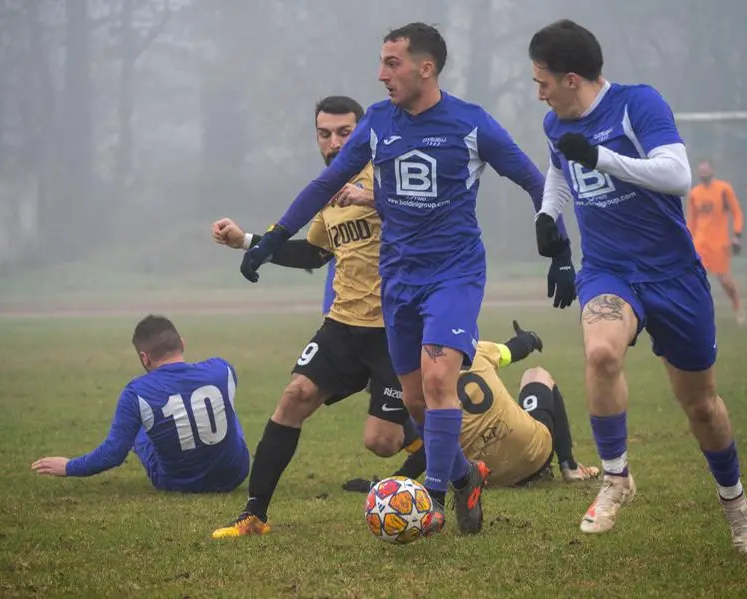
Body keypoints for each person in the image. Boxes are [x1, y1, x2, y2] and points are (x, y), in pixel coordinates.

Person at [238, 22, 576, 538]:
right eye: (380, 63)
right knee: (418, 404)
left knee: (440, 381)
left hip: (455, 274)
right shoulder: (377, 123)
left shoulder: (471, 123)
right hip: (398, 280)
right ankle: (467, 476)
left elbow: (535, 179)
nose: (381, 75)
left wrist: (560, 250)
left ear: (426, 67)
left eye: (392, 63)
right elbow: (328, 181)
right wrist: (271, 235)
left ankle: (433, 500)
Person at [529, 19, 747, 553]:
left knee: (702, 406)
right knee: (602, 353)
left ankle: (737, 506)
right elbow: (561, 168)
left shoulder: (638, 104)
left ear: (571, 78)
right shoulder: (553, 122)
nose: (538, 91)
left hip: (674, 275)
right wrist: (549, 215)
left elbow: (676, 174)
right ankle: (615, 477)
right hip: (609, 270)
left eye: (542, 80)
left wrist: (602, 157)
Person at [209, 95, 423, 538]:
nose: (334, 142)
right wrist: (247, 242)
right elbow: (314, 251)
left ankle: (445, 446)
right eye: (325, 133)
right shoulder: (327, 191)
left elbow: (428, 209)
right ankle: (254, 515)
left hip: (396, 328)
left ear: (363, 132)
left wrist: (372, 198)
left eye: (345, 132)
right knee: (294, 395)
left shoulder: (391, 174)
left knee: (381, 443)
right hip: (343, 325)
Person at [342, 321, 599, 492]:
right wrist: (529, 339)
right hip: (535, 457)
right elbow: (511, 351)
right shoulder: (476, 350)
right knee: (537, 374)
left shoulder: (418, 378)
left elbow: (431, 449)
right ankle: (570, 466)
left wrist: (388, 485)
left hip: (484, 476)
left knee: (431, 427)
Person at [31, 315, 250, 493]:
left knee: (137, 429)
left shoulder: (136, 392)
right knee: (225, 405)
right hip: (234, 475)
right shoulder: (223, 369)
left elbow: (113, 453)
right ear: (182, 344)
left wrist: (69, 467)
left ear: (145, 358)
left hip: (178, 483)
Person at [687, 160, 747, 325]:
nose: (704, 173)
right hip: (700, 245)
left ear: (712, 171)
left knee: (725, 281)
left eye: (706, 170)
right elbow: (691, 222)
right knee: (696, 280)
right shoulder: (694, 194)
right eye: (701, 171)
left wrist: (737, 235)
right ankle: (700, 316)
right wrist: (687, 242)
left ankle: (738, 307)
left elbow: (737, 213)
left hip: (719, 245)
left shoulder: (723, 189)